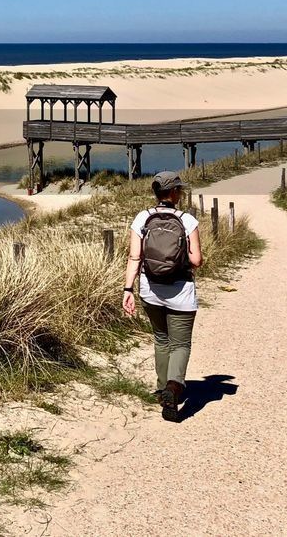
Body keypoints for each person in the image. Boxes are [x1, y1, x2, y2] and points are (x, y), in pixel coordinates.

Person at [123, 171, 202, 422]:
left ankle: (161, 389)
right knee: (180, 344)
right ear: (175, 193)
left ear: (156, 192)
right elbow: (196, 261)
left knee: (161, 340)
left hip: (150, 289)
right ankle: (173, 387)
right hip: (181, 290)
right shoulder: (187, 220)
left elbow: (135, 257)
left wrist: (128, 290)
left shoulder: (142, 218)